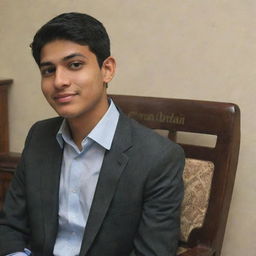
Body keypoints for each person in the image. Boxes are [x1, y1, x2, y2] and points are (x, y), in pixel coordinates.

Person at [0, 12, 184, 256]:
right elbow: (11, 226)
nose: (59, 81)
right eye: (48, 70)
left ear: (107, 69)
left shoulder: (158, 157)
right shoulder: (39, 136)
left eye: (74, 65)